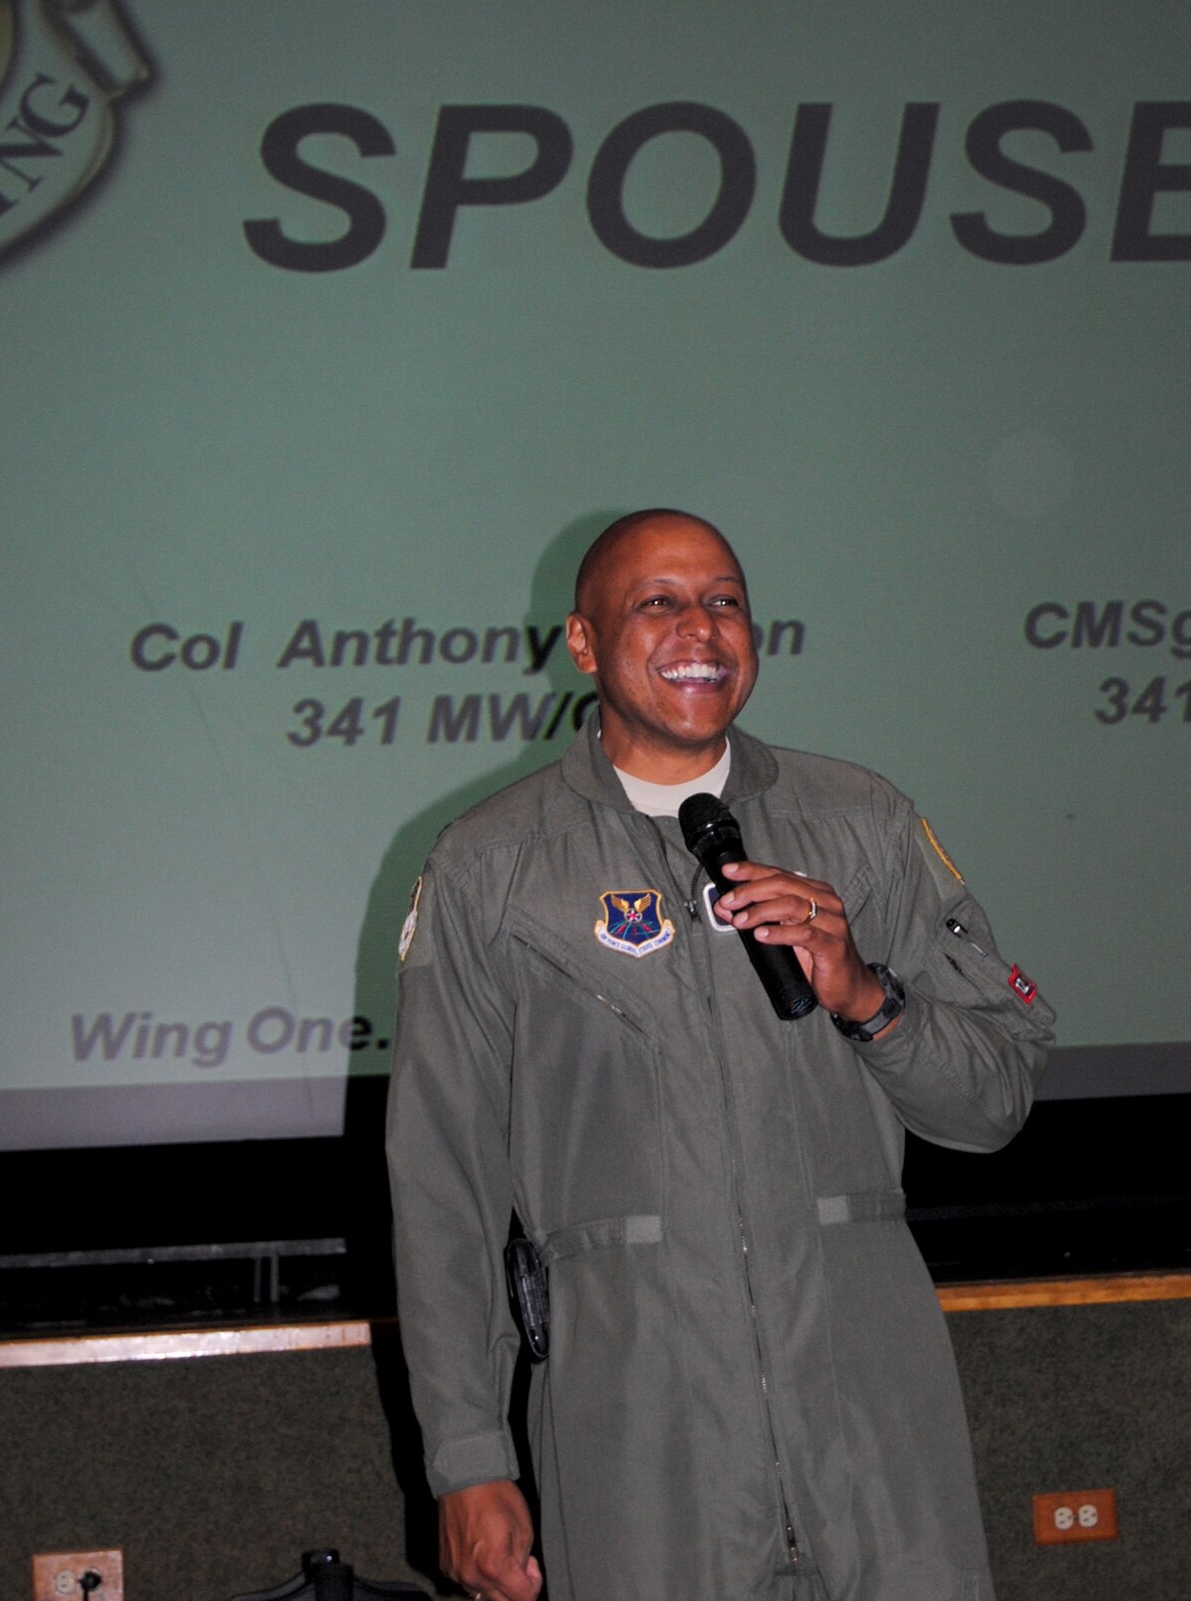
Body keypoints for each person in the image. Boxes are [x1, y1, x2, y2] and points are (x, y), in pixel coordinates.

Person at [387, 510, 1054, 1601]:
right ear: (583, 641)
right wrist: (467, 1459)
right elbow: (443, 1189)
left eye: (724, 601)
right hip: (641, 1440)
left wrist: (865, 995)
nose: (699, 628)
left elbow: (993, 1103)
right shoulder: (491, 868)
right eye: (657, 602)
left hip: (874, 1432)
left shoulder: (863, 822)